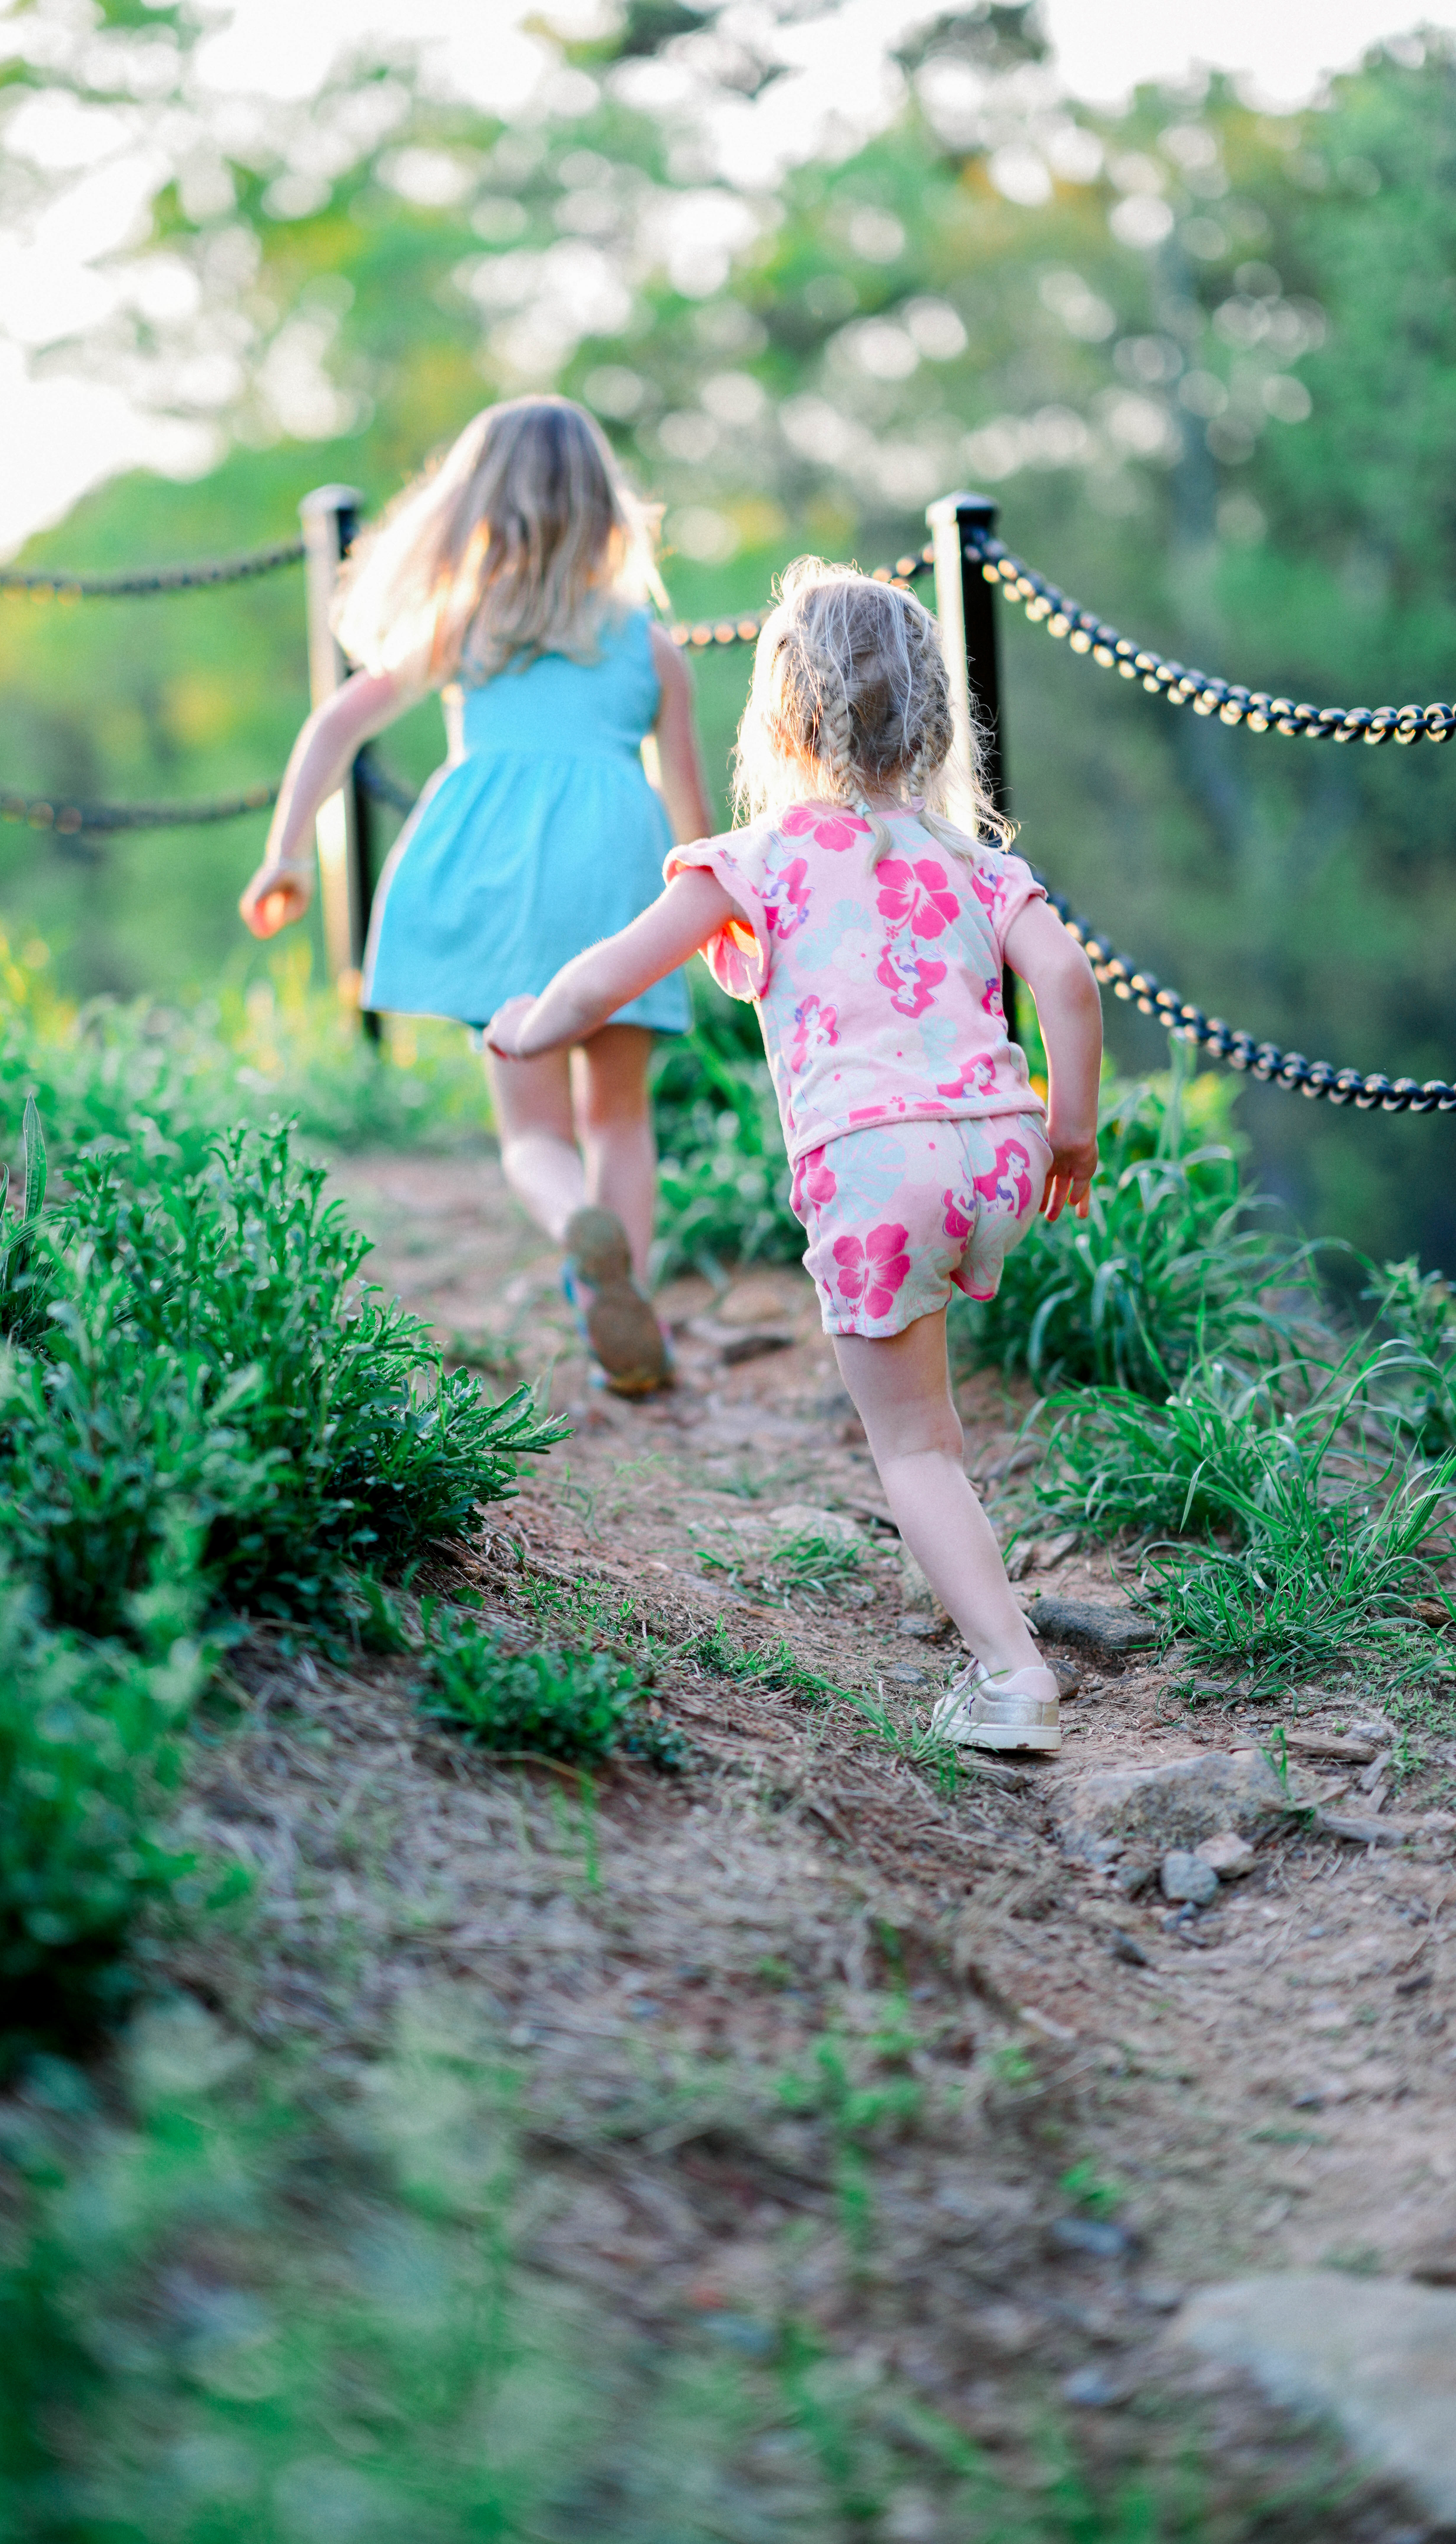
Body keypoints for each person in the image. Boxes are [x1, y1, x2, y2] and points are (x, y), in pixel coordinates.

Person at [485, 557, 1103, 1757]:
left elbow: (612, 972)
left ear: (779, 717)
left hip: (877, 1175)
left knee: (909, 1440)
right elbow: (1068, 982)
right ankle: (979, 1584)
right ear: (934, 716)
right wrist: (1068, 1130)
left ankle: (1012, 1671)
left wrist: (531, 1025)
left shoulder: (755, 860)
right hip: (1001, 1156)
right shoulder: (973, 862)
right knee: (930, 1417)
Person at [239, 395, 712, 1395]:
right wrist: (721, 924)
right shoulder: (651, 649)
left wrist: (286, 851)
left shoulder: (465, 630)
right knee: (620, 1119)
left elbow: (335, 726)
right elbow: (693, 815)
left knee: (533, 1131)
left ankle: (576, 1242)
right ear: (605, 507)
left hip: (502, 886)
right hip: (623, 883)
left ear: (477, 507)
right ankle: (627, 1313)